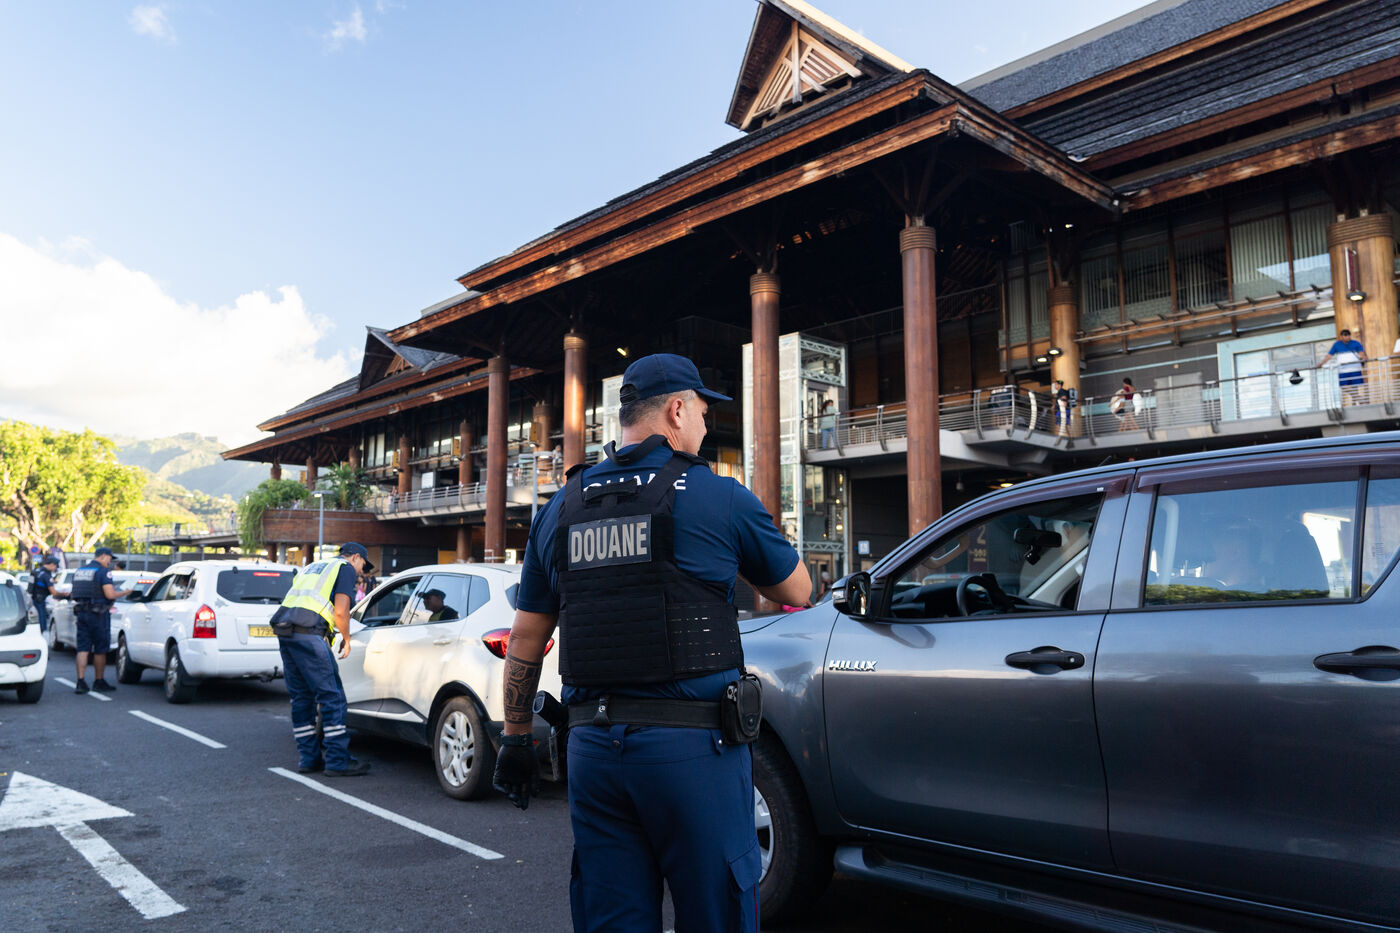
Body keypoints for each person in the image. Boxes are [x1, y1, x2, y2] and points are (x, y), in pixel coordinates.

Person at [493, 352, 810, 933]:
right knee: (717, 913)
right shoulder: (719, 495)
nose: (707, 426)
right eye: (704, 413)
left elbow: (526, 638)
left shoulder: (562, 506)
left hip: (593, 752)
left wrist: (515, 738)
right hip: (693, 753)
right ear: (677, 410)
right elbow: (797, 588)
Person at [268, 541, 374, 776]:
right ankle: (337, 761)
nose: (361, 573)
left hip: (287, 633)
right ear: (355, 557)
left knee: (301, 699)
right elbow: (341, 610)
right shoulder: (344, 568)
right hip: (309, 635)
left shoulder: (313, 567)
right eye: (363, 566)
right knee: (332, 697)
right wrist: (346, 639)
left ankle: (308, 759)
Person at [68, 547, 133, 693]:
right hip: (98, 615)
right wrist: (125, 592)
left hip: (82, 613)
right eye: (109, 558)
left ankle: (80, 682)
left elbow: (74, 593)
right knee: (100, 649)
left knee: (82, 648)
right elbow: (109, 594)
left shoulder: (80, 571)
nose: (110, 562)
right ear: (103, 556)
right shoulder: (103, 572)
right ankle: (99, 681)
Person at [1326, 328, 1367, 405]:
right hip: (1343, 370)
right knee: (1343, 386)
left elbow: (1361, 353)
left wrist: (1363, 357)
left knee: (1355, 387)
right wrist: (1321, 363)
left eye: (1348, 335)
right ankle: (1360, 399)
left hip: (1355, 368)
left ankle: (1354, 404)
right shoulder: (1337, 344)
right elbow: (1329, 355)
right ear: (1341, 336)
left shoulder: (1355, 343)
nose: (1347, 337)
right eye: (1345, 335)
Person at [29, 555, 58, 634]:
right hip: (41, 600)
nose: (56, 568)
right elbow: (53, 592)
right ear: (52, 564)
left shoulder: (35, 571)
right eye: (56, 566)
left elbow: (30, 586)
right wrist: (64, 594)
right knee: (42, 617)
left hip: (33, 599)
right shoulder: (46, 575)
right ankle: (42, 632)